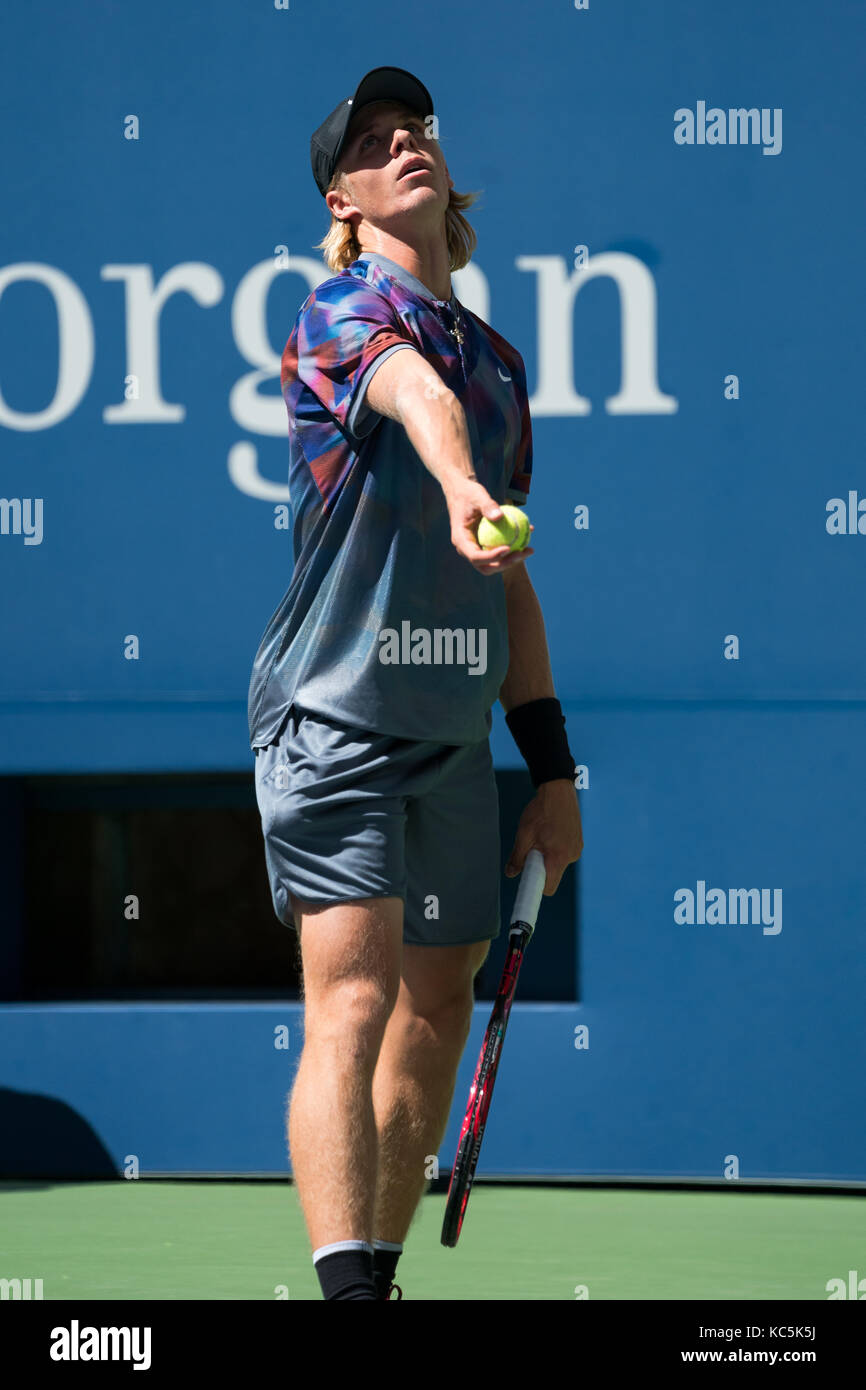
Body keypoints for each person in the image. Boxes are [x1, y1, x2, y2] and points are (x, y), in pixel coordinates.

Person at [248, 66, 583, 1300]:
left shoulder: (498, 362)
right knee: (354, 995)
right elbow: (413, 392)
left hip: (451, 737)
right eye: (375, 142)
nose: (406, 145)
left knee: (435, 1002)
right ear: (341, 197)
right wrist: (455, 485)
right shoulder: (338, 311)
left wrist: (550, 770)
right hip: (331, 717)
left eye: (419, 132)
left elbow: (511, 585)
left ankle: (373, 1284)